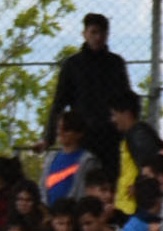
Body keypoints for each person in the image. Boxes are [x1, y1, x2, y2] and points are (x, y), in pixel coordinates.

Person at [47, 13, 139, 168]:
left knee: (110, 176)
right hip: (83, 135)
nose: (98, 37)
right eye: (94, 32)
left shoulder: (115, 63)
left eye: (102, 33)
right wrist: (49, 137)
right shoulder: (72, 65)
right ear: (84, 34)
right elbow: (59, 102)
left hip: (111, 135)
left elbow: (126, 100)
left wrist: (128, 131)